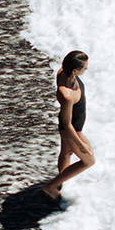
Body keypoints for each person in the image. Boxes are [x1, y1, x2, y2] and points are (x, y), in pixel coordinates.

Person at [42, 50, 96, 200]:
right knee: (89, 161)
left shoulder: (63, 71)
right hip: (72, 130)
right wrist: (80, 144)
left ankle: (60, 183)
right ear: (75, 70)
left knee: (66, 153)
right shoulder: (67, 95)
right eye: (84, 68)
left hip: (73, 125)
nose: (87, 70)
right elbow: (67, 125)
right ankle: (50, 187)